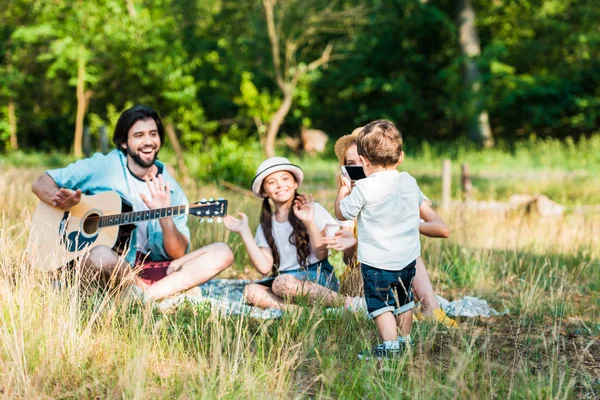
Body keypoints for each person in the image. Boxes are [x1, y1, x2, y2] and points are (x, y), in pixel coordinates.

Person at [31, 104, 234, 300]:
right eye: (139, 135)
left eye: (153, 134)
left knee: (222, 252)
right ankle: (163, 292)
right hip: (113, 263)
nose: (148, 141)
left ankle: (145, 296)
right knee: (100, 255)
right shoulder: (103, 166)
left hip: (154, 268)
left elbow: (178, 253)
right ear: (124, 143)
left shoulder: (172, 190)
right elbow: (42, 182)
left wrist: (165, 216)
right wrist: (60, 201)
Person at [326, 126, 457, 327]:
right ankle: (404, 317)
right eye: (350, 164)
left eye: (360, 161)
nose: (357, 168)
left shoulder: (400, 188)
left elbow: (442, 228)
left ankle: (430, 309)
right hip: (365, 273)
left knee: (407, 252)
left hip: (397, 265)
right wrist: (352, 244)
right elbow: (349, 262)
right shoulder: (350, 198)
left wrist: (403, 224)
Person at [223, 156, 362, 311]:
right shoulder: (266, 225)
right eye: (271, 182)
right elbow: (264, 267)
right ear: (264, 191)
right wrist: (244, 232)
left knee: (282, 283)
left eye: (285, 179)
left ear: (295, 183)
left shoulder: (312, 209)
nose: (280, 185)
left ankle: (348, 303)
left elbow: (321, 254)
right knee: (251, 291)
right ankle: (301, 312)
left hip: (317, 278)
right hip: (284, 281)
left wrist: (309, 221)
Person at [334, 119, 422, 359]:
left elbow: (343, 212)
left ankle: (391, 346)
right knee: (404, 299)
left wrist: (344, 189)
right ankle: (405, 340)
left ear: (362, 161)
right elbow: (418, 202)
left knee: (380, 302)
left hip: (378, 261)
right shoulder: (409, 181)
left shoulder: (364, 188)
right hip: (407, 257)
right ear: (400, 157)